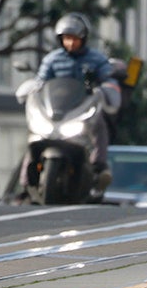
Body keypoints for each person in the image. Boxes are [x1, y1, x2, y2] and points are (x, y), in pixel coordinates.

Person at [19, 13, 121, 198]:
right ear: (60, 39)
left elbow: (108, 77)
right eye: (67, 39)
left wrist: (106, 86)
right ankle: (26, 180)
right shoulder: (52, 59)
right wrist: (31, 89)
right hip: (56, 111)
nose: (71, 43)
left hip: (82, 109)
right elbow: (40, 81)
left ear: (83, 39)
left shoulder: (97, 59)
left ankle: (99, 167)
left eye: (75, 39)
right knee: (35, 136)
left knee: (100, 125)